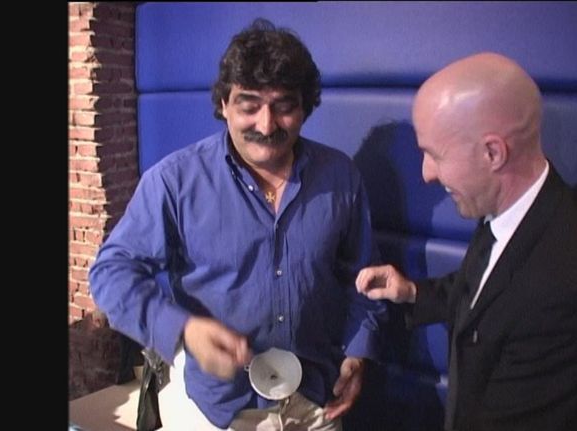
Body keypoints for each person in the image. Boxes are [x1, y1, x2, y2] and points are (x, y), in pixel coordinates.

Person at [89, 18, 386, 431]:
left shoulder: (341, 177)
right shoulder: (174, 181)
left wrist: (358, 351)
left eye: (284, 106)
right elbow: (110, 273)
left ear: (305, 107)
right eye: (249, 106)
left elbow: (366, 278)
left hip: (316, 401)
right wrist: (183, 330)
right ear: (224, 104)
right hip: (215, 409)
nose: (266, 125)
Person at [356, 52, 577, 430]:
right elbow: (488, 292)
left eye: (434, 155)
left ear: (493, 153)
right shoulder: (510, 212)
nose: (427, 174)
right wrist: (413, 292)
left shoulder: (567, 287)